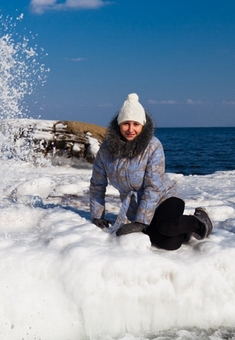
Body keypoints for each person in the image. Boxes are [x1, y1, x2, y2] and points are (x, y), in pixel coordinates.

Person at [89, 93, 212, 251]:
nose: (131, 129)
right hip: (136, 207)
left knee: (167, 227)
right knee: (168, 243)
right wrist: (98, 215)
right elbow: (98, 183)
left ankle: (199, 222)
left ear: (143, 125)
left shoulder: (153, 146)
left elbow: (153, 187)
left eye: (136, 124)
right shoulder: (106, 150)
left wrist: (141, 222)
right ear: (119, 124)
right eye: (126, 123)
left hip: (165, 197)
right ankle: (184, 230)